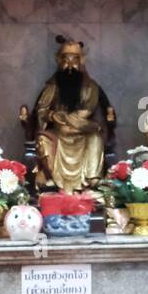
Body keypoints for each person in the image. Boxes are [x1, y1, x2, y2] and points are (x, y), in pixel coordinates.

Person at [29, 36, 112, 193]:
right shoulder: (53, 86)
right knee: (42, 140)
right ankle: (52, 180)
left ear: (81, 61)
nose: (70, 65)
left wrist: (65, 118)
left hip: (82, 131)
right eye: (66, 59)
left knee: (95, 138)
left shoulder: (91, 87)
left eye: (75, 60)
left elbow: (87, 111)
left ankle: (91, 181)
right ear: (59, 61)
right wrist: (52, 116)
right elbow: (41, 110)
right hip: (58, 134)